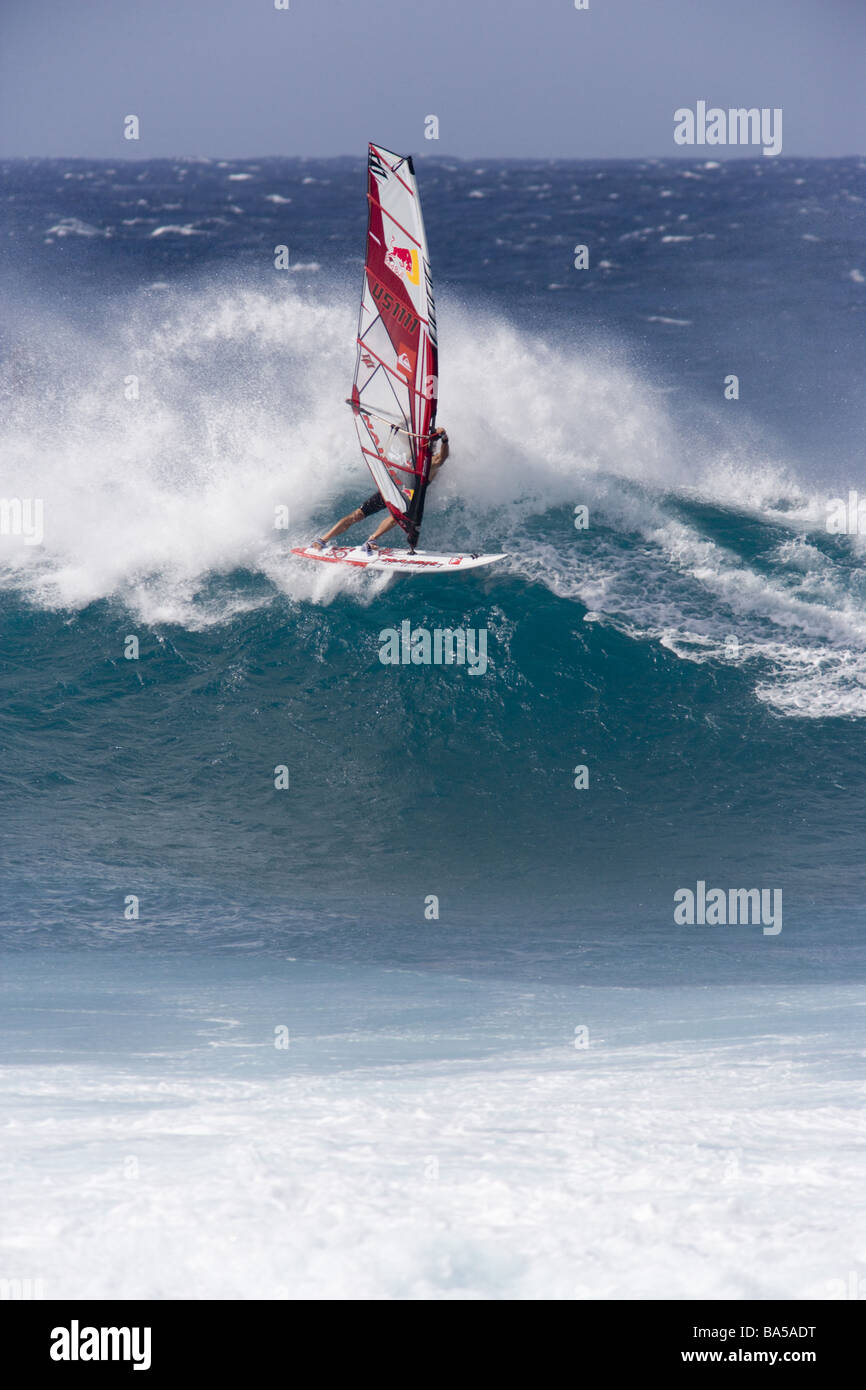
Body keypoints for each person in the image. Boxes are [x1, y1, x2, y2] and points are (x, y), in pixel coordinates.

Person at [312, 428, 449, 553]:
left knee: (396, 516)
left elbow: (442, 458)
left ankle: (372, 539)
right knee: (358, 514)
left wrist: (444, 439)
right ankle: (322, 540)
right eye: (425, 441)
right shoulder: (413, 451)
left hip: (408, 495)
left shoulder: (432, 462)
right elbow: (402, 435)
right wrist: (402, 422)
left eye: (430, 442)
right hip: (391, 488)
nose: (426, 444)